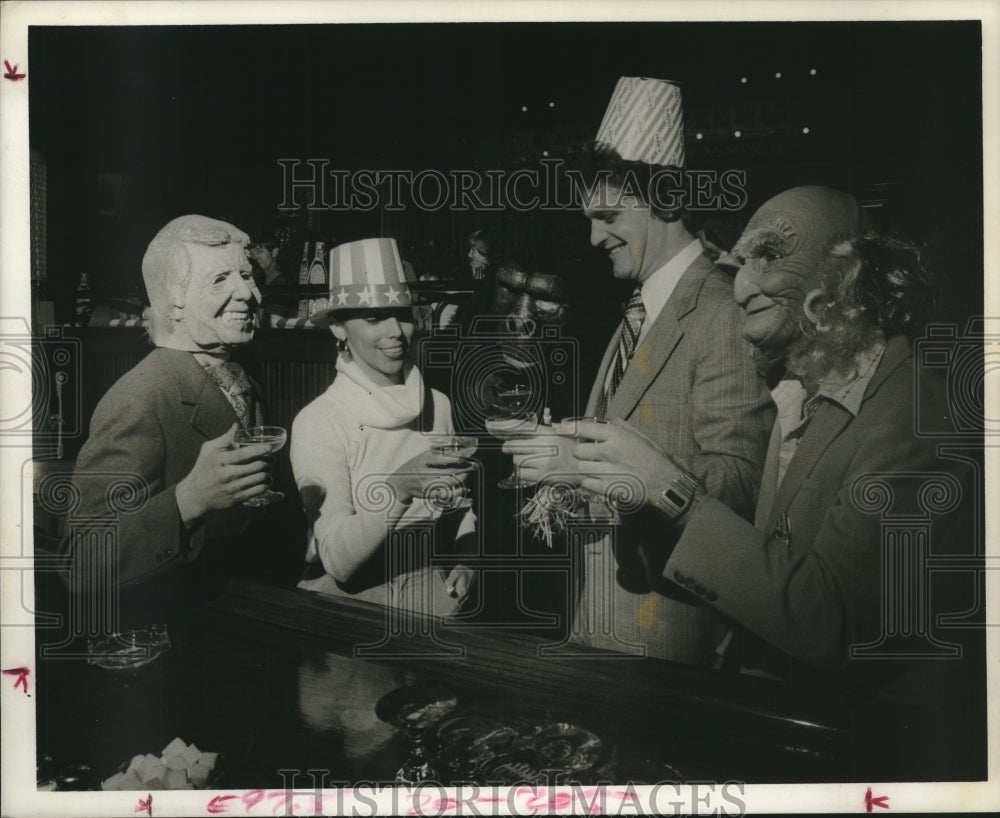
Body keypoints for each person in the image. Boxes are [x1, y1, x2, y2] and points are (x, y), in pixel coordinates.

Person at [565, 188, 978, 685]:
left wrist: (669, 490)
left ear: (850, 271)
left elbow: (838, 623)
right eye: (741, 262)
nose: (741, 288)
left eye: (770, 256)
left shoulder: (919, 415)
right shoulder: (801, 399)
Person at [507, 77, 774, 664]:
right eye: (588, 218)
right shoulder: (640, 305)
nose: (594, 236)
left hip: (671, 627)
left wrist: (593, 467)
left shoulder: (724, 309)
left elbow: (742, 489)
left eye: (607, 215)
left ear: (669, 200)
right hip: (608, 612)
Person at [64, 215, 295, 627]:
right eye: (220, 279)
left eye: (246, 275)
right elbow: (81, 562)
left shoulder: (239, 366)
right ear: (173, 300)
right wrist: (190, 499)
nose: (248, 293)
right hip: (184, 629)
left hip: (249, 611)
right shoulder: (139, 398)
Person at [291, 238, 477, 615]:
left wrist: (469, 559)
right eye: (374, 317)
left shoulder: (437, 403)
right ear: (339, 328)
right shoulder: (319, 420)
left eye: (402, 314)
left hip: (431, 596)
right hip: (348, 604)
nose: (396, 330)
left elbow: (459, 505)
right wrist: (399, 487)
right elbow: (338, 562)